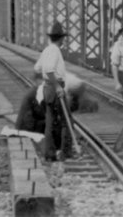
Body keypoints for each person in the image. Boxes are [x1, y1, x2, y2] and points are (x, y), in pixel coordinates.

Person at [33, 20, 72, 161]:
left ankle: (49, 153)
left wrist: (47, 84)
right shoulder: (55, 51)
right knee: (66, 122)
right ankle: (66, 152)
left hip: (47, 88)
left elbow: (37, 68)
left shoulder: (47, 50)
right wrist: (57, 87)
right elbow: (49, 69)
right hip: (55, 87)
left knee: (50, 121)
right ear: (61, 38)